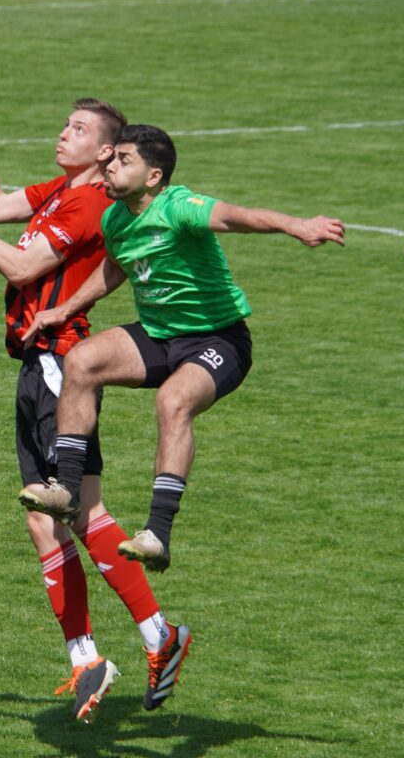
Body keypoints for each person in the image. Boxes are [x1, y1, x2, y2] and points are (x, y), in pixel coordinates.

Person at [0, 90, 190, 723]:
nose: (61, 134)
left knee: (79, 508)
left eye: (76, 129)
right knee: (45, 519)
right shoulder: (58, 188)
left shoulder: (89, 201)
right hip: (34, 363)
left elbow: (20, 267)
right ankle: (92, 656)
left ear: (104, 150)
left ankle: (153, 638)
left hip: (58, 364)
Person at [19, 124, 345, 573]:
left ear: (154, 176)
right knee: (83, 359)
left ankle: (157, 534)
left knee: (173, 401)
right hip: (159, 335)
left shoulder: (180, 207)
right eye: (112, 160)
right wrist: (65, 309)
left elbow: (236, 216)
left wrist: (297, 225)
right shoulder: (116, 217)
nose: (110, 166)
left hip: (217, 339)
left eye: (124, 161)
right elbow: (116, 268)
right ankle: (67, 490)